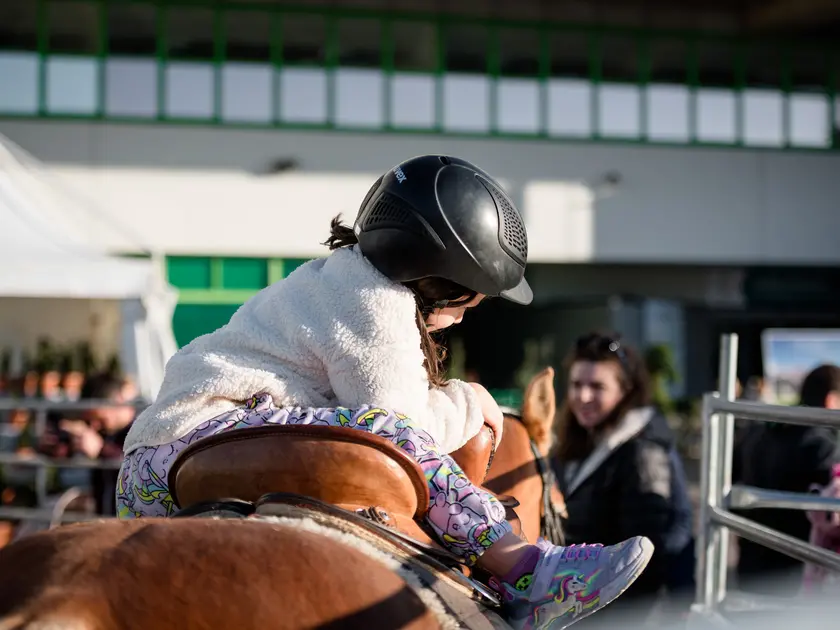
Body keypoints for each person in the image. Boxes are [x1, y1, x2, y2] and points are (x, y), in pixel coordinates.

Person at [117, 155, 653, 630]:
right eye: (469, 303)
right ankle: (528, 570)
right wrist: (470, 402)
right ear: (442, 279)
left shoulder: (335, 278)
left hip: (152, 467)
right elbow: (405, 429)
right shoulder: (375, 303)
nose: (463, 317)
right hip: (196, 443)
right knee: (390, 433)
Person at [551, 333, 691, 618]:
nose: (583, 396)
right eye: (577, 384)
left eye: (597, 386)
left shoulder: (643, 451)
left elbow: (647, 558)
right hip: (584, 601)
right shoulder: (584, 438)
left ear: (625, 391)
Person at [734, 363, 840, 596]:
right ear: (831, 400)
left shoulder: (762, 429)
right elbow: (830, 518)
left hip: (750, 563)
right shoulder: (824, 446)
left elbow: (732, 482)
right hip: (794, 573)